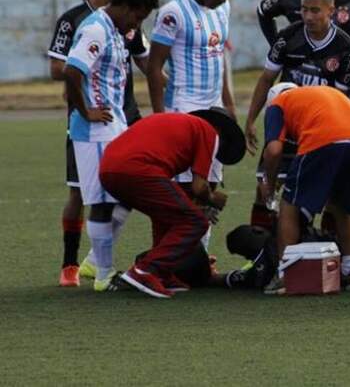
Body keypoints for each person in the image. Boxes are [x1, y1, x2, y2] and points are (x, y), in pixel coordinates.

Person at [48, 0, 151, 287]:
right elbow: (71, 72)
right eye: (137, 17)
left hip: (115, 124)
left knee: (125, 193)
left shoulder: (115, 27)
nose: (137, 25)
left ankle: (95, 264)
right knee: (101, 201)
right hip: (94, 130)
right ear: (122, 4)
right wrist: (84, 111)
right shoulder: (93, 29)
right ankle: (101, 272)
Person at [244, 0, 350, 228]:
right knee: (264, 186)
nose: (308, 16)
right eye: (304, 9)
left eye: (315, 10)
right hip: (286, 124)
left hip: (320, 133)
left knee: (327, 198)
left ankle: (325, 254)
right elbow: (267, 78)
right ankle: (258, 254)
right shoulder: (288, 37)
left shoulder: (346, 49)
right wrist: (250, 120)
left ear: (331, 10)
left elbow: (341, 102)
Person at [99, 108, 246, 298]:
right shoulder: (209, 132)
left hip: (108, 168)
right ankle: (145, 270)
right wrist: (212, 198)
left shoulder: (180, 123)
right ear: (221, 133)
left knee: (165, 216)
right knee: (196, 221)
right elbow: (199, 187)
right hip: (138, 168)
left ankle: (162, 273)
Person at [260, 85, 350, 294]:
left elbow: (274, 151)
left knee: (289, 204)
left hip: (323, 138)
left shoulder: (277, 104)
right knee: (343, 205)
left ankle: (284, 274)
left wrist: (269, 182)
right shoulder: (317, 93)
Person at [147, 0, 238, 197]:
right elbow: (154, 66)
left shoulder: (223, 8)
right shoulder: (173, 12)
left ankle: (202, 236)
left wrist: (228, 104)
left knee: (212, 180)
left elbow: (219, 56)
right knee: (187, 186)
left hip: (215, 107)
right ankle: (186, 234)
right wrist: (160, 120)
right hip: (184, 107)